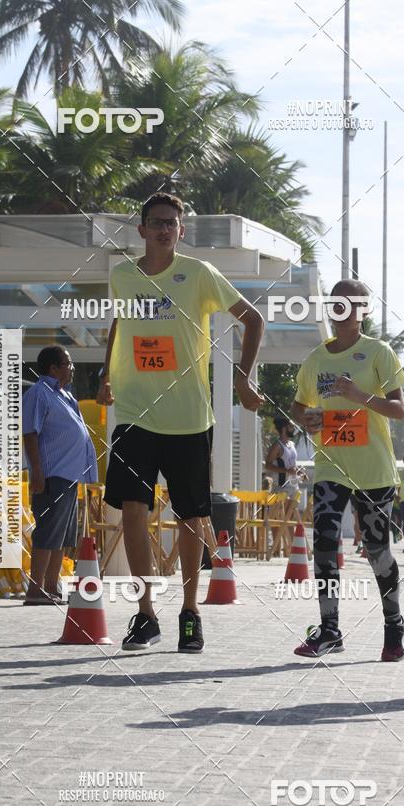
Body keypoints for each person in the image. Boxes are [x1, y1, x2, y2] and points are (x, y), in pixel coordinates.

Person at [97, 192, 264, 653]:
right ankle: (145, 612)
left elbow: (253, 319)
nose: (165, 229)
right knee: (132, 508)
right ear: (142, 230)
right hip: (134, 413)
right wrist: (107, 375)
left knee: (191, 517)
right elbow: (120, 323)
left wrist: (243, 380)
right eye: (157, 222)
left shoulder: (200, 274)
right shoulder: (122, 275)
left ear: (181, 231)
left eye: (172, 223)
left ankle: (190, 612)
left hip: (189, 417)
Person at [290, 279, 404, 661]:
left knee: (376, 549)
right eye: (336, 302)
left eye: (351, 302)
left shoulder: (379, 353)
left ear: (363, 310)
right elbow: (298, 406)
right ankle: (329, 629)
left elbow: (398, 409)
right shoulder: (316, 359)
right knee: (324, 539)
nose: (343, 308)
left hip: (373, 468)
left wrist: (360, 396)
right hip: (331, 464)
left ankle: (393, 623)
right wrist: (306, 418)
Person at [23, 346, 98, 605]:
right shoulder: (38, 393)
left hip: (69, 476)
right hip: (52, 474)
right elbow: (30, 433)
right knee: (47, 532)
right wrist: (37, 472)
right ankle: (35, 589)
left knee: (61, 536)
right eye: (68, 363)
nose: (72, 367)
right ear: (53, 368)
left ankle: (51, 586)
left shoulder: (65, 396)